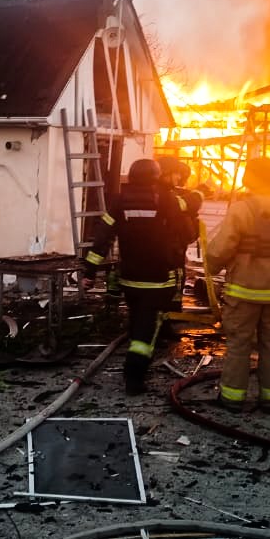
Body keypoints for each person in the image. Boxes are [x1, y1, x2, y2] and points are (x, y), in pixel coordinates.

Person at [81, 158, 195, 394]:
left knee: (136, 321)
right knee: (146, 331)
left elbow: (102, 237)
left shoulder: (119, 200)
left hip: (130, 279)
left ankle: (131, 368)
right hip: (158, 279)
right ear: (156, 177)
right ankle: (134, 378)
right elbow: (187, 234)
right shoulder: (167, 199)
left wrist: (90, 270)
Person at [205, 155, 270, 413]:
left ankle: (232, 398)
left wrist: (212, 267)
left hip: (244, 290)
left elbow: (220, 249)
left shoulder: (242, 209)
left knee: (239, 344)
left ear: (251, 177)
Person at [155, 155, 204, 311]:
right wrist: (198, 195)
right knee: (170, 293)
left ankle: (165, 315)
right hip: (170, 255)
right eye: (176, 173)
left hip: (163, 255)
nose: (179, 178)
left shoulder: (156, 192)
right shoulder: (165, 196)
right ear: (165, 173)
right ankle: (168, 316)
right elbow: (181, 208)